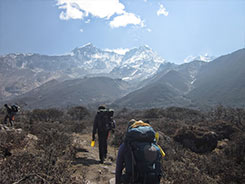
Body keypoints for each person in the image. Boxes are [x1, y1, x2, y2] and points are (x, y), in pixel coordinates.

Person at [115, 120, 164, 184]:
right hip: (152, 179)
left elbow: (119, 167)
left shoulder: (126, 146)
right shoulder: (152, 144)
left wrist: (117, 182)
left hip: (133, 179)